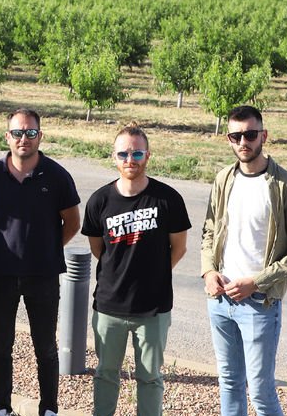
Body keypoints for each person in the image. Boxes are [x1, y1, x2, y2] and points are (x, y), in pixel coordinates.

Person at [200, 105, 287, 416]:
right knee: (229, 382)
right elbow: (210, 230)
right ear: (228, 139)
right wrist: (208, 271)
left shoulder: (285, 186)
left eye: (250, 134)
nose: (243, 142)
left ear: (264, 136)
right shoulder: (224, 179)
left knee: (261, 392)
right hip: (220, 300)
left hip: (260, 304)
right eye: (235, 136)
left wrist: (256, 282)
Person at [0, 109, 81, 416]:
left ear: (40, 136)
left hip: (43, 274)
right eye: (17, 133)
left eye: (30, 133)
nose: (24, 139)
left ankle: (49, 409)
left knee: (45, 347)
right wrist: (0, 243)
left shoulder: (58, 176)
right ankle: (1, 408)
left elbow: (72, 222)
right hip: (0, 273)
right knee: (1, 346)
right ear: (7, 136)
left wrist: (47, 247)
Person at [81, 123, 191, 416]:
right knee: (105, 374)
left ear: (148, 156)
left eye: (137, 153)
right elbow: (98, 249)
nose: (130, 159)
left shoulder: (168, 199)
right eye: (124, 153)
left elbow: (179, 247)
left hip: (153, 309)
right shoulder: (99, 201)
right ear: (114, 157)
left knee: (150, 377)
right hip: (109, 306)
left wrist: (156, 273)